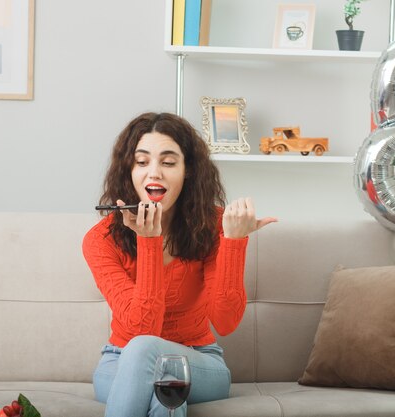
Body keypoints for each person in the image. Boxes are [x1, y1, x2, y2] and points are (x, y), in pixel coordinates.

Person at [82, 112, 277, 417]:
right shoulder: (101, 239)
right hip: (120, 360)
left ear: (188, 171)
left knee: (155, 364)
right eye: (142, 162)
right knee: (165, 393)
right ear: (128, 171)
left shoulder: (212, 225)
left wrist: (234, 242)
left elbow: (225, 322)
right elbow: (142, 330)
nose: (154, 173)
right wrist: (149, 242)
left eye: (169, 162)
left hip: (200, 361)